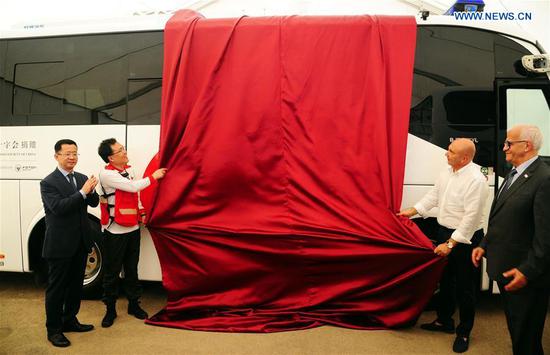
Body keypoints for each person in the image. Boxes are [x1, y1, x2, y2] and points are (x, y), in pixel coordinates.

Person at [398, 138, 488, 353]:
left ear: (465, 158)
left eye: (451, 151)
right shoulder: (447, 172)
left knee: (466, 287)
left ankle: (464, 332)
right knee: (445, 280)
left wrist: (450, 243)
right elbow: (434, 196)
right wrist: (412, 210)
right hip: (445, 232)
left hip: (466, 239)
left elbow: (471, 219)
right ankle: (444, 321)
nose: (445, 154)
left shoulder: (476, 180)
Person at [472, 124, 550, 355]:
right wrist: (484, 244)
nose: (504, 147)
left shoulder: (544, 179)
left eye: (509, 143)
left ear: (526, 146)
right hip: (507, 270)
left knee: (526, 338)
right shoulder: (514, 173)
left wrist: (527, 271)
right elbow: (504, 218)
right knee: (518, 331)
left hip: (525, 277)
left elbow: (546, 236)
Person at [97, 138, 167, 328]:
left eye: (123, 148)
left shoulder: (130, 171)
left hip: (132, 229)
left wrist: (142, 211)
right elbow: (133, 187)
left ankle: (134, 305)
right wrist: (154, 176)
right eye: (120, 150)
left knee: (132, 269)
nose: (125, 152)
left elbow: (135, 197)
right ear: (111, 157)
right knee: (111, 273)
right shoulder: (107, 175)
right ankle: (110, 310)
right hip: (114, 232)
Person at [40, 139, 99, 347]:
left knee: (75, 287)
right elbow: (59, 208)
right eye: (67, 154)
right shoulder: (48, 182)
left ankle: (70, 320)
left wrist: (92, 191)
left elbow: (93, 203)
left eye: (75, 153)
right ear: (57, 156)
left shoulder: (81, 177)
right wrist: (83, 192)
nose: (72, 157)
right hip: (59, 245)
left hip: (80, 243)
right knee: (57, 289)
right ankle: (54, 330)